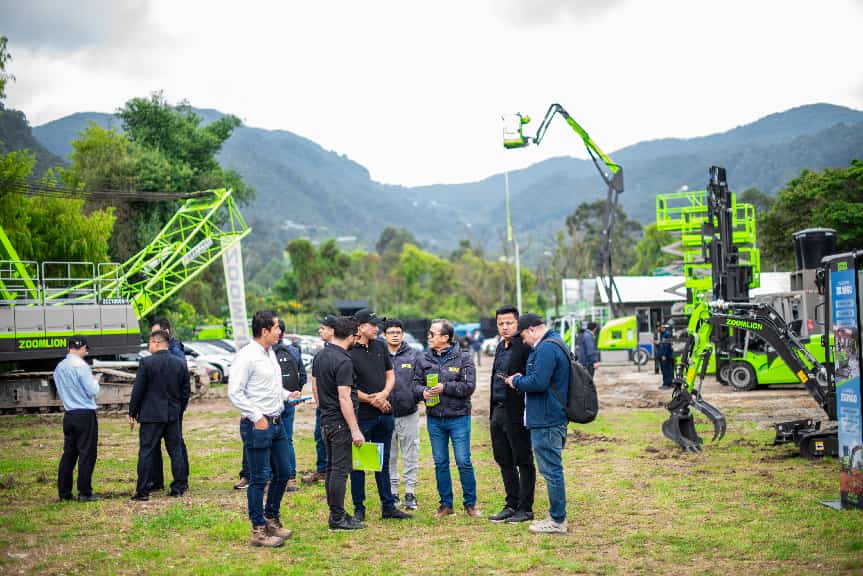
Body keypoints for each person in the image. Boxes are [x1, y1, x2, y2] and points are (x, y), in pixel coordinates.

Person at [228, 310, 300, 547]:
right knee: (259, 478)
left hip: (277, 423)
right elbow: (235, 392)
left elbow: (270, 387)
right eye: (276, 327)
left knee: (284, 472)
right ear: (264, 330)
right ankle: (258, 530)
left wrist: (287, 395)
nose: (280, 332)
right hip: (257, 426)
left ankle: (271, 517)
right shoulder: (247, 356)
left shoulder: (270, 354)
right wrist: (256, 416)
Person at [505, 314, 569, 535]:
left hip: (547, 419)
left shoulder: (546, 349)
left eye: (523, 336)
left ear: (531, 330)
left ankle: (557, 520)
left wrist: (516, 381)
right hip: (551, 416)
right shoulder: (555, 342)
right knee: (552, 469)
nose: (523, 341)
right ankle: (556, 516)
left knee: (551, 471)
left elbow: (538, 382)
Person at [413, 319, 481, 519]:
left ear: (445, 337)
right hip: (435, 419)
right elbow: (414, 384)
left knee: (463, 461)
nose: (428, 336)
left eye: (432, 333)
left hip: (459, 418)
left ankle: (470, 504)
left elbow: (469, 387)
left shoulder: (464, 357)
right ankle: (445, 505)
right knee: (440, 463)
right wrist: (422, 392)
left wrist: (445, 387)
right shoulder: (423, 358)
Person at [349, 309, 411, 521]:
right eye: (373, 324)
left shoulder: (380, 346)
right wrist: (371, 399)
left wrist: (383, 395)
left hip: (384, 413)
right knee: (359, 464)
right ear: (360, 327)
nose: (377, 328)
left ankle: (388, 506)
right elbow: (347, 387)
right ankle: (359, 508)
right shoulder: (349, 350)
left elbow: (390, 375)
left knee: (383, 461)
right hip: (362, 416)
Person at [236, 320, 307, 491]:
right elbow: (303, 376)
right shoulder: (292, 351)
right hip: (284, 403)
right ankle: (289, 478)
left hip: (267, 405)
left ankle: (259, 478)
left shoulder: (264, 353)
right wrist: (293, 392)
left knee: (260, 441)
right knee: (285, 440)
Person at [315, 316, 366, 530]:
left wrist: (323, 410)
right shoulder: (344, 361)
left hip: (326, 420)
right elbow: (344, 397)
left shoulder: (321, 355)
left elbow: (315, 387)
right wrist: (355, 430)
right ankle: (337, 518)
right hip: (340, 423)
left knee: (331, 468)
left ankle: (337, 513)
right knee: (339, 471)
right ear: (351, 336)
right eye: (357, 335)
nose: (358, 339)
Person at [129, 329, 190, 501]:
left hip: (151, 415)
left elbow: (138, 390)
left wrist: (132, 412)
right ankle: (179, 487)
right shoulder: (179, 363)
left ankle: (142, 491)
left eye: (150, 343)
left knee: (146, 451)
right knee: (175, 451)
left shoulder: (146, 363)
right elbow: (185, 391)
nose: (149, 346)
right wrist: (179, 409)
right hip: (172, 414)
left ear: (156, 343)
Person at [488, 306, 535, 524]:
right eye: (501, 323)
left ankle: (525, 508)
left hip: (516, 412)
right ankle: (511, 504)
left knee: (523, 459)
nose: (505, 327)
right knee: (503, 459)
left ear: (518, 324)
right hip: (497, 410)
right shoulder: (500, 346)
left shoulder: (524, 346)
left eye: (509, 323)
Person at [54, 335, 100, 502]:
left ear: (69, 348)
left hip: (69, 414)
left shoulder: (59, 367)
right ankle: (85, 492)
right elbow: (92, 391)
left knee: (69, 454)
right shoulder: (81, 366)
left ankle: (64, 492)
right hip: (85, 414)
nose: (86, 352)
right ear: (82, 348)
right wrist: (96, 381)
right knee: (87, 453)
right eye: (86, 349)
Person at [383, 318, 422, 510]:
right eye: (391, 332)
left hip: (409, 413)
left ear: (403, 334)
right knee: (389, 455)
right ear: (384, 335)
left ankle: (410, 492)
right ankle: (393, 492)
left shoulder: (414, 355)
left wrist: (416, 398)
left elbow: (421, 380)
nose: (395, 335)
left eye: (398, 332)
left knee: (410, 453)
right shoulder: (379, 355)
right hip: (385, 414)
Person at [148, 317, 188, 493]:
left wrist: (179, 407)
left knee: (176, 444)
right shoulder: (156, 352)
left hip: (172, 407)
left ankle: (182, 481)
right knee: (155, 444)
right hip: (157, 406)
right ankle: (156, 481)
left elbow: (183, 381)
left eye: (156, 333)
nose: (153, 338)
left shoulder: (176, 351)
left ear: (166, 332)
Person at [300, 315, 337, 486]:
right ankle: (322, 471)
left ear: (332, 331)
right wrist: (320, 404)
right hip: (323, 407)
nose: (319, 331)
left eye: (323, 328)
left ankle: (336, 471)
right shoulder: (320, 355)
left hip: (338, 406)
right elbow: (314, 382)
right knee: (320, 438)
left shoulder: (344, 353)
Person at [658, 324, 675, 389]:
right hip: (664, 356)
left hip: (666, 356)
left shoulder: (667, 334)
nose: (659, 329)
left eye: (660, 327)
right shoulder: (663, 335)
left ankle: (667, 384)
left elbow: (667, 346)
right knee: (665, 370)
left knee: (667, 370)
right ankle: (667, 383)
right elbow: (663, 345)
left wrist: (664, 355)